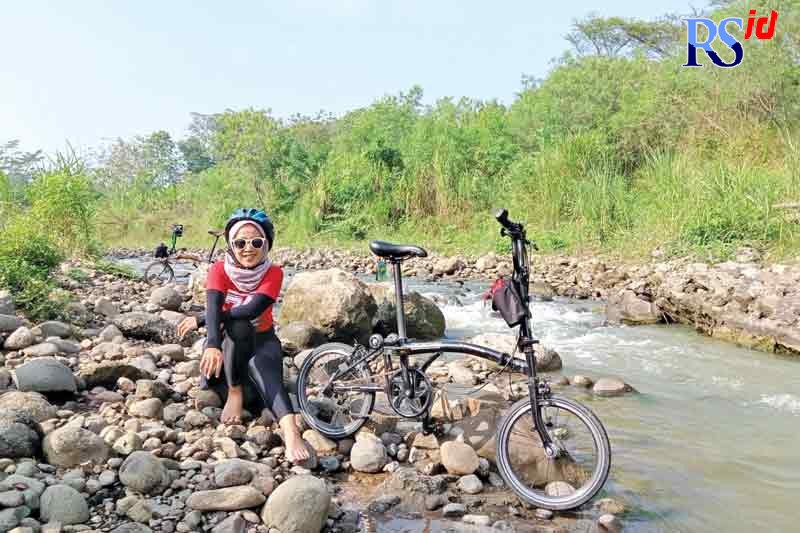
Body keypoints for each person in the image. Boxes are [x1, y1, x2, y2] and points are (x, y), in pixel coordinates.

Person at [177, 208, 309, 463]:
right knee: (238, 327)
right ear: (231, 245)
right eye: (240, 243)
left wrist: (201, 319)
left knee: (264, 367)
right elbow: (213, 306)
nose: (248, 248)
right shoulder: (219, 270)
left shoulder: (274, 272)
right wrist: (212, 344)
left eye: (256, 242)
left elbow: (251, 310)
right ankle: (234, 391)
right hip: (229, 344)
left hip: (262, 340)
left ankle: (292, 433)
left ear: (266, 244)